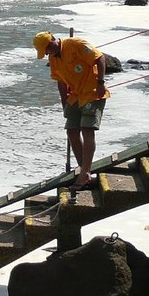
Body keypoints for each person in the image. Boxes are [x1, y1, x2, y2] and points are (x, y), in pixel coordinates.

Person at [33, 31, 110, 189]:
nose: (47, 53)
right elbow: (61, 82)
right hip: (75, 95)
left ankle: (84, 173)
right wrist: (64, 102)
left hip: (92, 91)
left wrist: (101, 83)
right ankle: (85, 169)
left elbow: (99, 58)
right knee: (71, 131)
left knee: (87, 129)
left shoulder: (76, 44)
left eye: (47, 49)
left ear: (52, 42)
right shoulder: (53, 58)